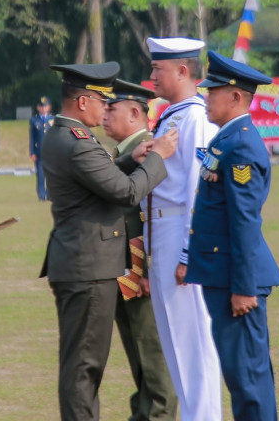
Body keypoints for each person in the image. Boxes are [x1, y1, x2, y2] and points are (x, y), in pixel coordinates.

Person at [39, 62, 177, 421]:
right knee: (85, 367)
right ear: (83, 102)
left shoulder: (62, 135)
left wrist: (132, 158)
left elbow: (103, 180)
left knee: (82, 366)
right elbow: (127, 194)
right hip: (88, 268)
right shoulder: (80, 144)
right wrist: (158, 156)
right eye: (102, 100)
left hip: (81, 263)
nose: (103, 110)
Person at [184, 50, 279, 421]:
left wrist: (242, 287)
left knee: (247, 378)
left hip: (235, 282)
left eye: (212, 91)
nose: (206, 96)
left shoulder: (240, 145)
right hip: (224, 276)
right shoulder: (227, 140)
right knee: (243, 375)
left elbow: (244, 221)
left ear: (236, 97)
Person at [144, 36, 222, 421]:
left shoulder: (195, 117)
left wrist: (191, 255)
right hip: (161, 235)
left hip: (179, 237)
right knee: (176, 346)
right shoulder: (172, 114)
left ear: (182, 70)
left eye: (158, 68)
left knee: (193, 347)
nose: (152, 74)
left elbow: (198, 190)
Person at [102, 79, 178, 421]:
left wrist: (146, 270)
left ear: (135, 112)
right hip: (124, 272)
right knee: (140, 363)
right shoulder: (127, 155)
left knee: (155, 364)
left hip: (140, 274)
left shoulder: (150, 152)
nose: (103, 115)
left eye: (110, 108)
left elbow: (154, 215)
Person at [30, 95, 54, 201]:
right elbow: (32, 138)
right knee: (40, 175)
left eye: (45, 106)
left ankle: (49, 194)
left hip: (51, 152)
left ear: (49, 107)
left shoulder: (53, 119)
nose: (43, 108)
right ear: (38, 107)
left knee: (51, 175)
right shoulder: (34, 120)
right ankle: (41, 195)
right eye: (41, 106)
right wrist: (32, 152)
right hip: (39, 152)